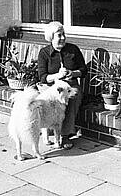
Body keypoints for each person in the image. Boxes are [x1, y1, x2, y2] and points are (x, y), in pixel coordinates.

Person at [37, 21, 86, 149]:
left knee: (72, 97)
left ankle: (64, 134)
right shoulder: (44, 53)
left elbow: (83, 70)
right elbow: (42, 77)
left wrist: (73, 73)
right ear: (51, 37)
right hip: (51, 86)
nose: (63, 38)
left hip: (69, 85)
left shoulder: (73, 50)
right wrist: (57, 76)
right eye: (59, 35)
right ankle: (45, 128)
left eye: (64, 34)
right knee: (46, 99)